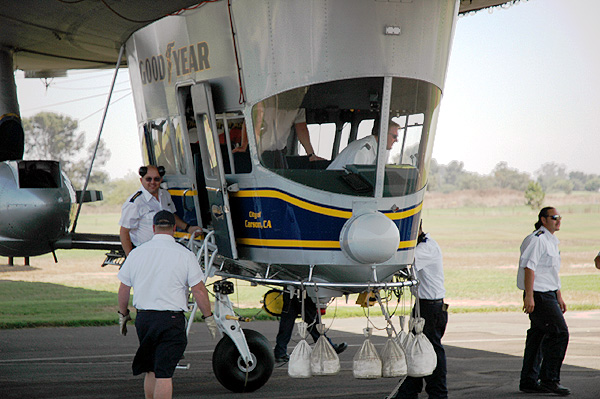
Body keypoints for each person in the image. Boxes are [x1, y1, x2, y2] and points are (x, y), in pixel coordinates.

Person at [117, 210, 218, 399]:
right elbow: (199, 291)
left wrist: (123, 314)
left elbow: (123, 289)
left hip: (145, 319)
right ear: (173, 229)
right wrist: (208, 317)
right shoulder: (185, 255)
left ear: (154, 228)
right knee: (164, 373)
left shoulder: (137, 253)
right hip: (170, 320)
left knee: (150, 369)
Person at [517, 207, 570, 396]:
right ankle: (549, 379)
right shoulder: (537, 239)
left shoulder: (551, 241)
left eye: (559, 218)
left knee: (538, 336)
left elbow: (550, 272)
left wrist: (559, 295)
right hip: (538, 295)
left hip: (548, 293)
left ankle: (529, 380)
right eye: (554, 217)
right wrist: (529, 295)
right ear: (543, 219)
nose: (558, 221)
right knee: (559, 333)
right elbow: (529, 268)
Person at [393, 220, 448, 399]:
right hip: (423, 305)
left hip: (431, 308)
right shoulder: (422, 246)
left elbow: (404, 263)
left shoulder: (426, 248)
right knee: (414, 349)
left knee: (432, 351)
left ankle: (438, 393)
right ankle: (409, 391)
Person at [119, 165, 201, 256]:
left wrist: (188, 228)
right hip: (144, 252)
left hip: (165, 251)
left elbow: (171, 216)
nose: (152, 182)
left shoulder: (165, 195)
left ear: (161, 180)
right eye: (148, 179)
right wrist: (130, 257)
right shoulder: (135, 202)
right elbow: (124, 231)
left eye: (156, 179)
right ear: (141, 180)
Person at [233, 99, 322, 168]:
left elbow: (301, 128)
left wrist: (311, 155)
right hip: (259, 153)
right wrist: (244, 145)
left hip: (279, 154)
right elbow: (250, 120)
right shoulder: (265, 100)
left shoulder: (298, 106)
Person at [273, 289, 347, 363]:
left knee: (287, 321)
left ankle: (280, 352)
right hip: (304, 291)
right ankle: (327, 347)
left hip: (290, 291)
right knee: (312, 321)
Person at [326, 121, 400, 170]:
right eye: (394, 136)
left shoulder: (383, 150)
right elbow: (354, 178)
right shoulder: (362, 150)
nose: (396, 140)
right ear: (383, 134)